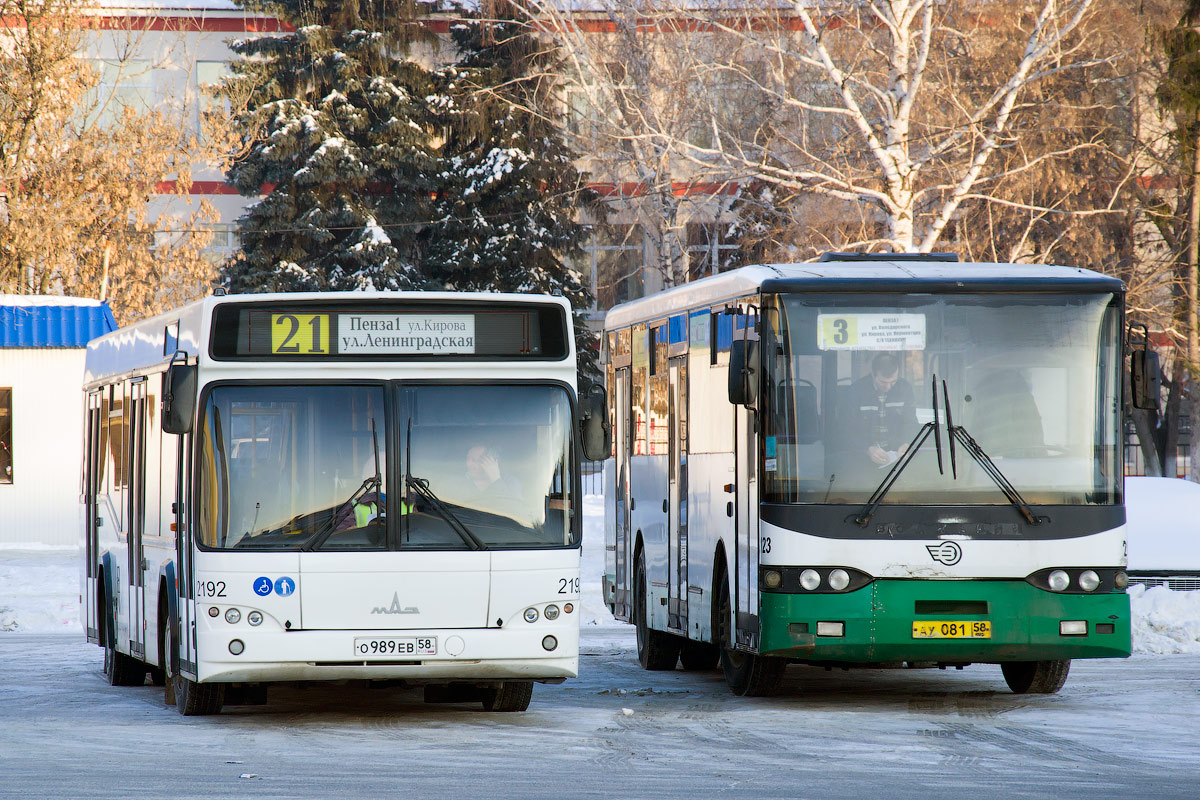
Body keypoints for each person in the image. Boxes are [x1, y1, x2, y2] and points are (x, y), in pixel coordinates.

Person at [845, 352, 919, 468]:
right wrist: (867, 448)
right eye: (883, 382)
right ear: (873, 374)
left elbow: (911, 422)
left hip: (897, 460)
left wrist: (907, 443)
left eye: (893, 382)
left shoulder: (905, 389)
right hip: (862, 462)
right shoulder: (855, 391)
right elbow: (846, 429)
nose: (888, 387)